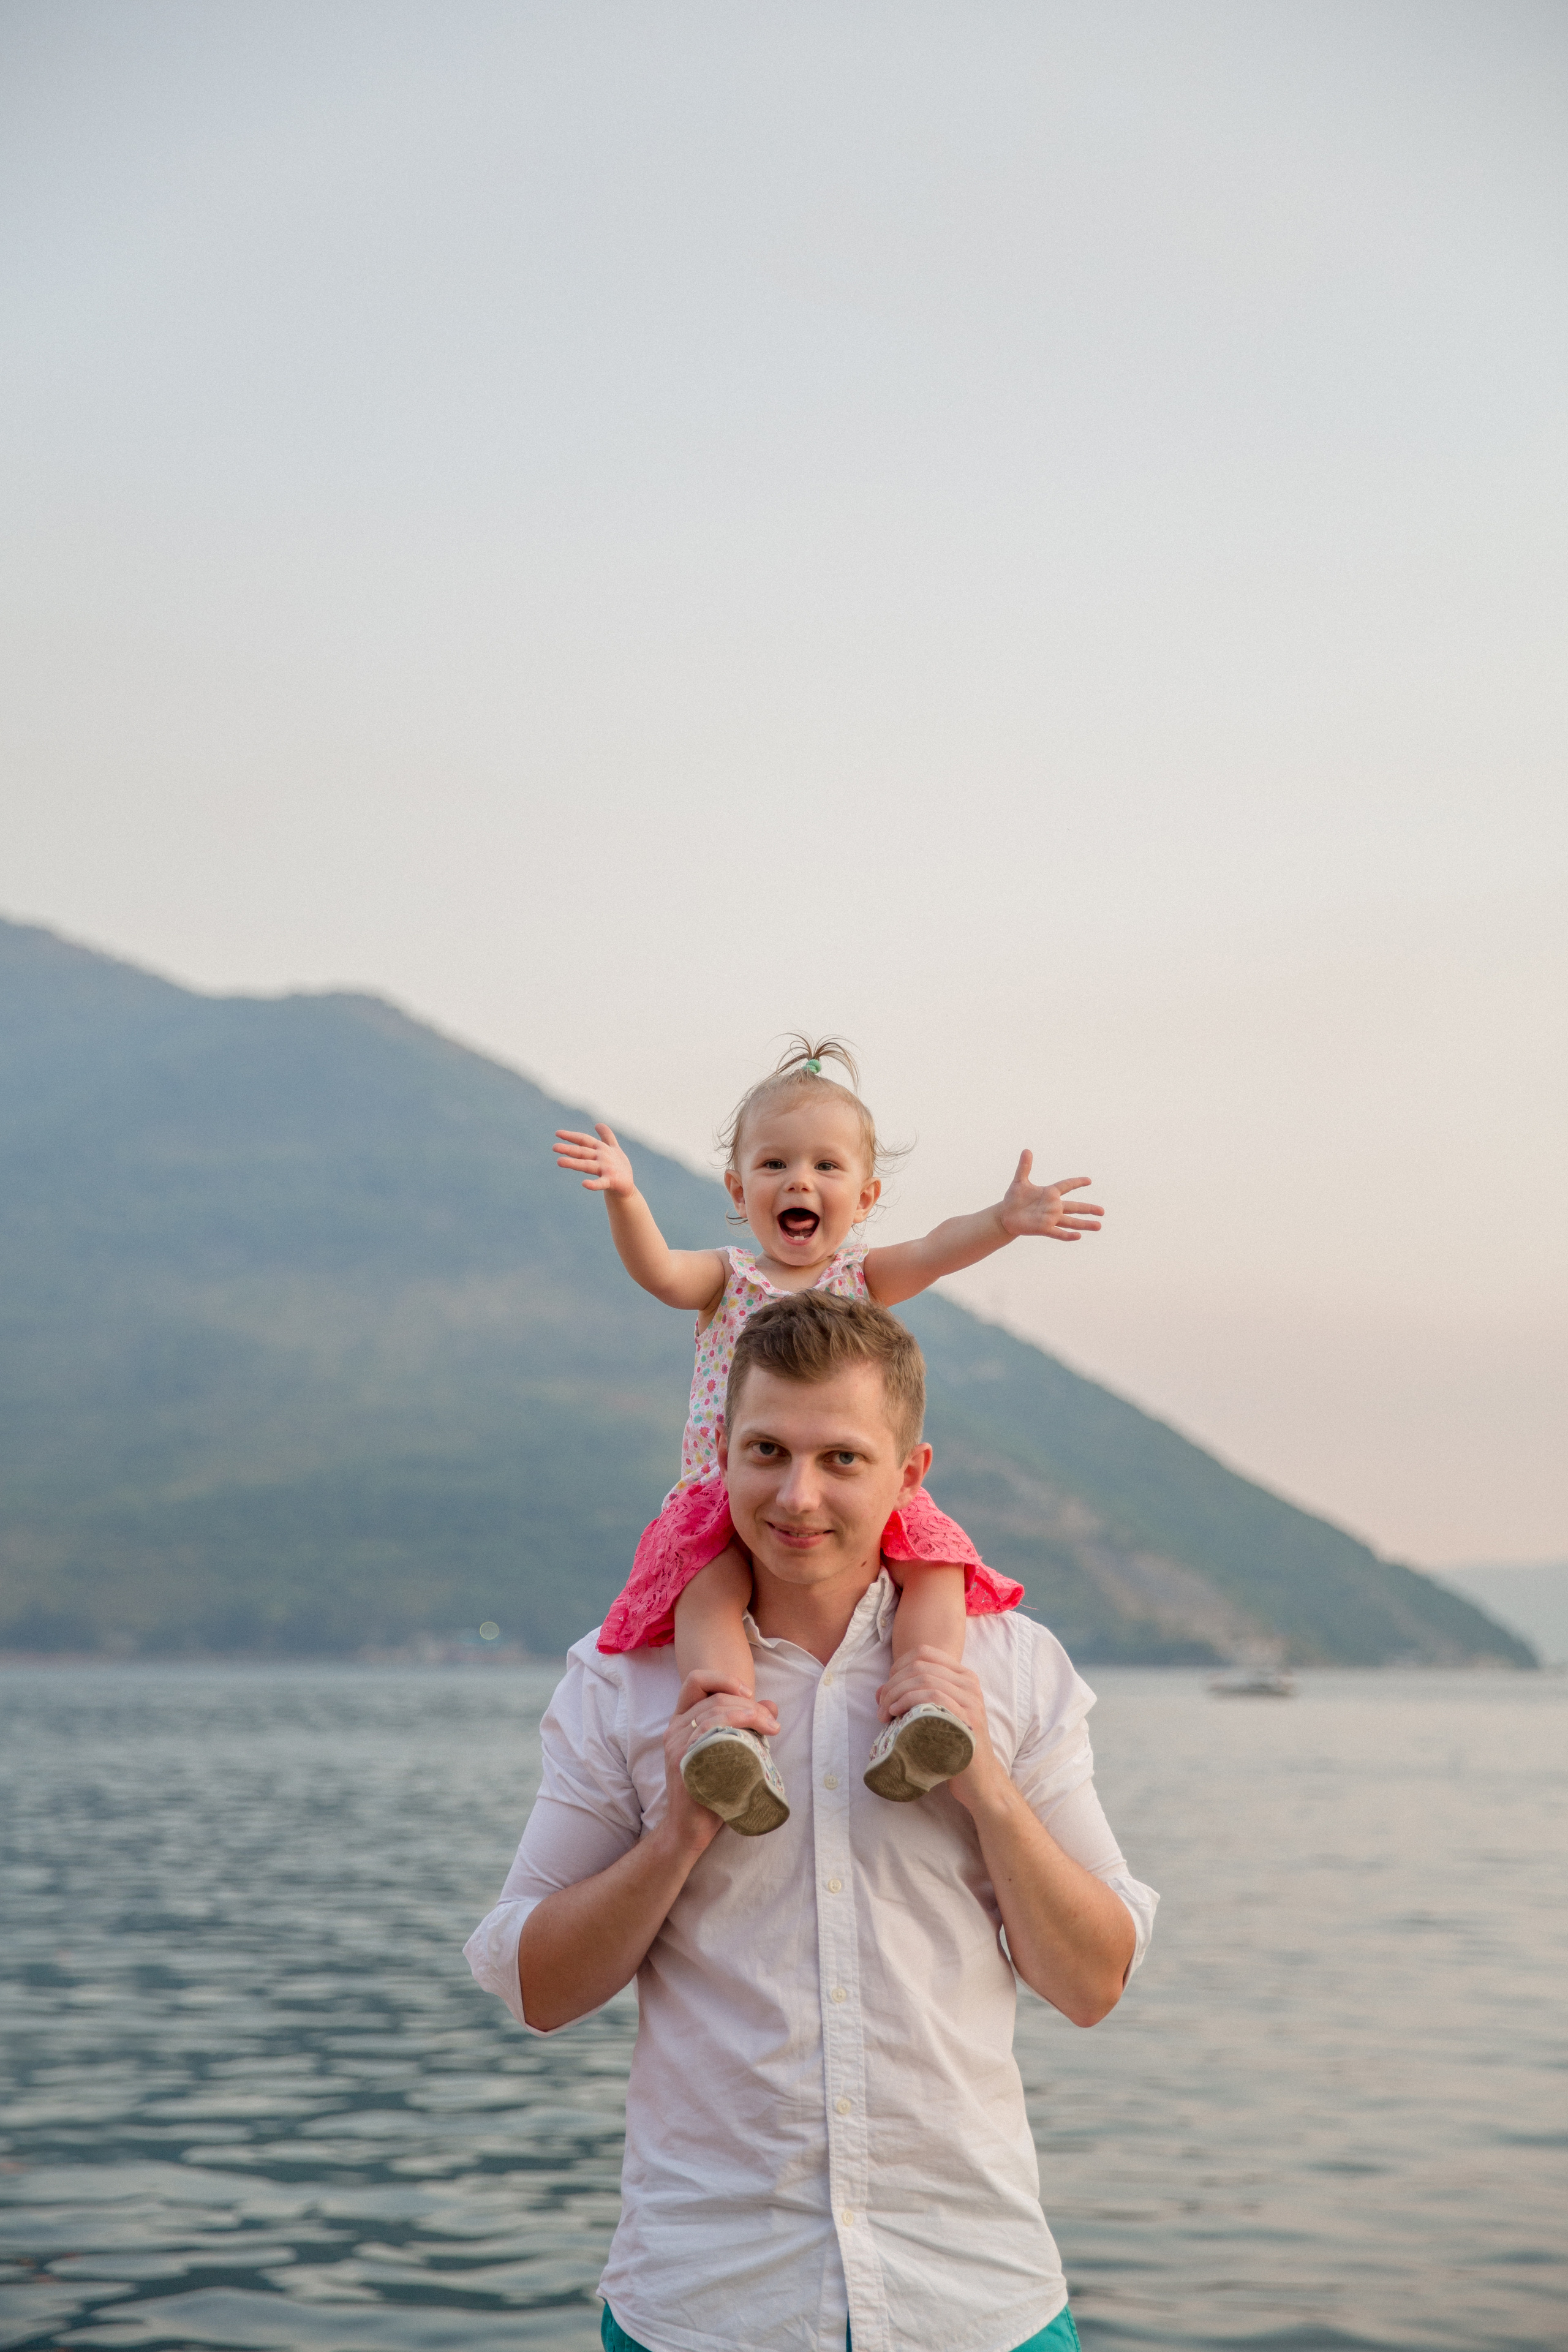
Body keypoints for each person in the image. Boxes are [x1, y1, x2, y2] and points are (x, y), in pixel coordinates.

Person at [465, 1289, 1158, 2352]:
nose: (798, 1496)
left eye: (841, 1458)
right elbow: (534, 1984)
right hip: (706, 2308)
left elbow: (1093, 1981)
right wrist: (680, 1835)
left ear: (909, 1476)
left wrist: (986, 1791)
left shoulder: (1014, 1668)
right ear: (722, 1459)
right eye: (767, 1451)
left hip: (974, 2303)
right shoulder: (623, 1682)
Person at [553, 1039, 1103, 1831]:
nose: (799, 1181)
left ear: (867, 1195)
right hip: (727, 1494)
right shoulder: (727, 1277)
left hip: (844, 1490)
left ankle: (924, 1700)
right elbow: (658, 1273)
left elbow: (938, 1250)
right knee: (706, 1591)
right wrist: (624, 1197)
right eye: (774, 1166)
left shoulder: (865, 1276)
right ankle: (726, 1725)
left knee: (937, 1564)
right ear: (739, 1191)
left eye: (826, 1167)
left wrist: (1004, 1222)